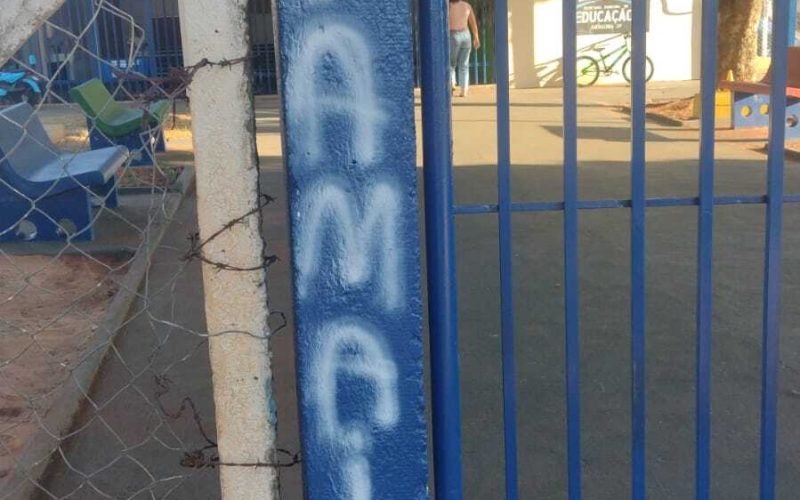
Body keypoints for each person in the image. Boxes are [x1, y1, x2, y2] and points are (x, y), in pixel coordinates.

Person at [448, 0, 480, 97]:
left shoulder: (447, 6)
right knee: (464, 64)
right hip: (466, 35)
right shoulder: (467, 6)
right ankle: (464, 90)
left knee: (450, 62)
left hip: (453, 35)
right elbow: (473, 23)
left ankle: (452, 82)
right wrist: (476, 37)